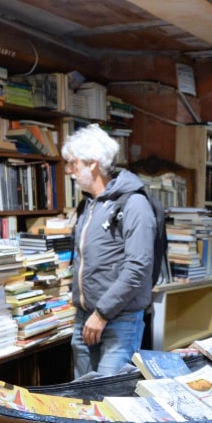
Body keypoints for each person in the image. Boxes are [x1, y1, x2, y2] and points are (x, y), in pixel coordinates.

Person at [63, 124, 156, 378]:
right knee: (81, 402)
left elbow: (138, 267)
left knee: (109, 400)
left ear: (92, 163)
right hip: (85, 318)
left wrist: (102, 314)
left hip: (118, 321)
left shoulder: (133, 203)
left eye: (73, 163)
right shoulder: (88, 205)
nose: (69, 171)